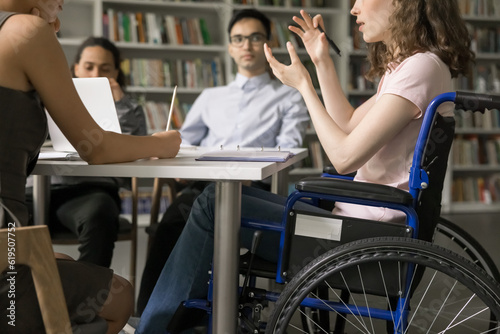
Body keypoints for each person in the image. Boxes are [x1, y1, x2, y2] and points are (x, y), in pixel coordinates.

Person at [136, 0, 474, 332]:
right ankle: (180, 320)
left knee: (213, 204)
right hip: (363, 223)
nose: (354, 9)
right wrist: (321, 60)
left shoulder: (418, 68)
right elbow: (349, 121)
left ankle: (155, 326)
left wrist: (304, 87)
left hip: (360, 236)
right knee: (220, 199)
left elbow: (343, 156)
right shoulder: (416, 67)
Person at [0, 1, 181, 333]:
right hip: (5, 250)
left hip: (13, 238)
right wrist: (161, 142)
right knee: (120, 296)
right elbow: (96, 148)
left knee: (66, 260)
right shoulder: (26, 31)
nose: (62, 5)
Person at [135, 8, 309, 315]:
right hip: (205, 183)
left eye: (255, 38)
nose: (246, 45)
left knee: (199, 218)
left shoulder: (288, 95)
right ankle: (148, 314)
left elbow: (291, 149)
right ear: (229, 47)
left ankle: (190, 315)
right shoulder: (210, 96)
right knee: (173, 221)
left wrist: (248, 170)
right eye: (238, 39)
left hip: (255, 187)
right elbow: (182, 141)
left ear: (268, 43)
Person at [25, 36, 147, 268]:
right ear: (75, 68)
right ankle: (18, 295)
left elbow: (133, 148)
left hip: (91, 193)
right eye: (88, 67)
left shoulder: (130, 108)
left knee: (100, 213)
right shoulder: (50, 97)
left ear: (116, 73)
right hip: (39, 190)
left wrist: (119, 103)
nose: (95, 74)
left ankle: (87, 295)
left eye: (105, 68)